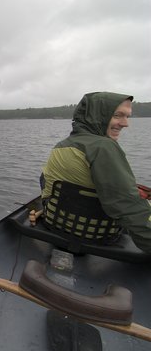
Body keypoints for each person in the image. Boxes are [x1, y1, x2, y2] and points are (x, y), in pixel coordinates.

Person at [40, 91, 151, 253]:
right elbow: (128, 207)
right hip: (94, 234)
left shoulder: (63, 144)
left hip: (58, 225)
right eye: (117, 115)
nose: (125, 123)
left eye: (128, 117)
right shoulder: (103, 147)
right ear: (96, 116)